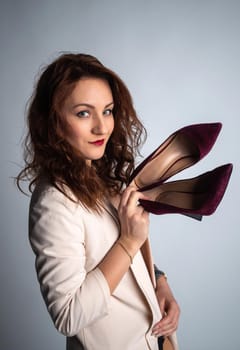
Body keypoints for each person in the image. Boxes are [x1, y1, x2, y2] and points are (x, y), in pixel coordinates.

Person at [17, 53, 180, 350]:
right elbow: (68, 316)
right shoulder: (54, 203)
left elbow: (110, 254)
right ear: (52, 122)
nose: (102, 127)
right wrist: (129, 243)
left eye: (107, 111)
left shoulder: (99, 177)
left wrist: (160, 281)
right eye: (83, 113)